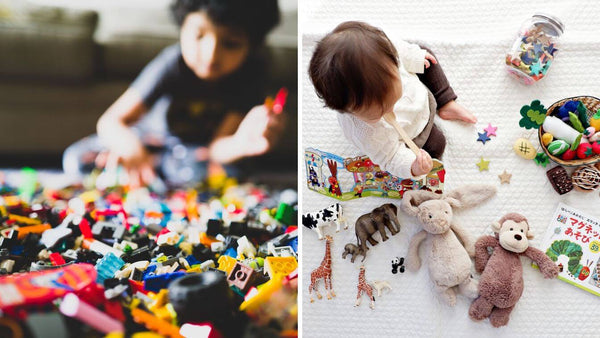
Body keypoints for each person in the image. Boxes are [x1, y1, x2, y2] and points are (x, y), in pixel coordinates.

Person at [63, 0, 283, 187]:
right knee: (77, 159)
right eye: (199, 36)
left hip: (191, 154)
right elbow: (111, 121)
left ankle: (156, 175)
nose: (211, 54)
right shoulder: (171, 64)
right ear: (182, 29)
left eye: (231, 44)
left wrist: (242, 143)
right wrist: (130, 147)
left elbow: (217, 149)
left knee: (220, 170)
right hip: (147, 140)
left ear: (251, 46)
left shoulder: (251, 74)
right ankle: (153, 172)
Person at [308, 21, 477, 178]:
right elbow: (391, 158)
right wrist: (413, 167)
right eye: (380, 112)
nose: (391, 111)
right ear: (347, 110)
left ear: (393, 63)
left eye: (393, 99)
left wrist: (414, 57)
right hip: (412, 132)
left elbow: (402, 50)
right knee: (437, 145)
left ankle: (446, 102)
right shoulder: (366, 133)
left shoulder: (385, 51)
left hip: (421, 95)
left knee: (426, 58)